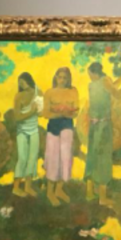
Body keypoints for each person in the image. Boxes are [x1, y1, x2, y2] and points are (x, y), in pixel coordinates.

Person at [84, 62, 121, 209]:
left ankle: (89, 192)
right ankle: (102, 198)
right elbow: (117, 93)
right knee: (103, 158)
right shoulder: (102, 81)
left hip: (94, 125)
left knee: (92, 156)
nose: (89, 76)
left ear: (95, 73)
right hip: (103, 125)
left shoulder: (93, 85)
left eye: (90, 73)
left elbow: (112, 86)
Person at [42, 67, 79, 207]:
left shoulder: (73, 91)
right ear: (55, 77)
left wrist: (68, 111)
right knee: (53, 159)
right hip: (53, 128)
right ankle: (49, 192)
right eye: (60, 77)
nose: (62, 80)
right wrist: (60, 113)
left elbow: (76, 111)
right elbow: (45, 114)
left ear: (68, 79)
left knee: (66, 158)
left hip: (67, 126)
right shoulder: (49, 92)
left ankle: (59, 190)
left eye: (65, 78)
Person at [12, 73, 43, 199]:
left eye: (23, 82)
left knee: (32, 158)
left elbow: (41, 112)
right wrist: (31, 112)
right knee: (22, 158)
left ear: (29, 80)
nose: (21, 85)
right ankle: (16, 188)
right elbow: (17, 117)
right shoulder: (18, 96)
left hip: (34, 130)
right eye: (19, 83)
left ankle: (28, 187)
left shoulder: (38, 92)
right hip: (22, 131)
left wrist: (39, 110)